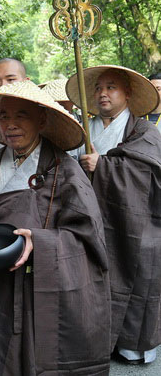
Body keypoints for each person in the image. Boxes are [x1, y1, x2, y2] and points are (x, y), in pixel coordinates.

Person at [0, 80, 111, 375]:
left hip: (45, 284)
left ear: (41, 119)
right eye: (3, 116)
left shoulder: (67, 170)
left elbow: (88, 236)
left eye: (20, 115)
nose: (10, 125)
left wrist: (41, 242)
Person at [67, 65, 161, 365]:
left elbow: (148, 173)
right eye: (98, 88)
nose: (102, 94)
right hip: (90, 215)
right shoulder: (82, 129)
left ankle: (133, 347)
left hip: (134, 218)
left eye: (111, 87)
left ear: (128, 94)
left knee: (141, 270)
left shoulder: (145, 131)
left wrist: (104, 166)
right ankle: (94, 342)